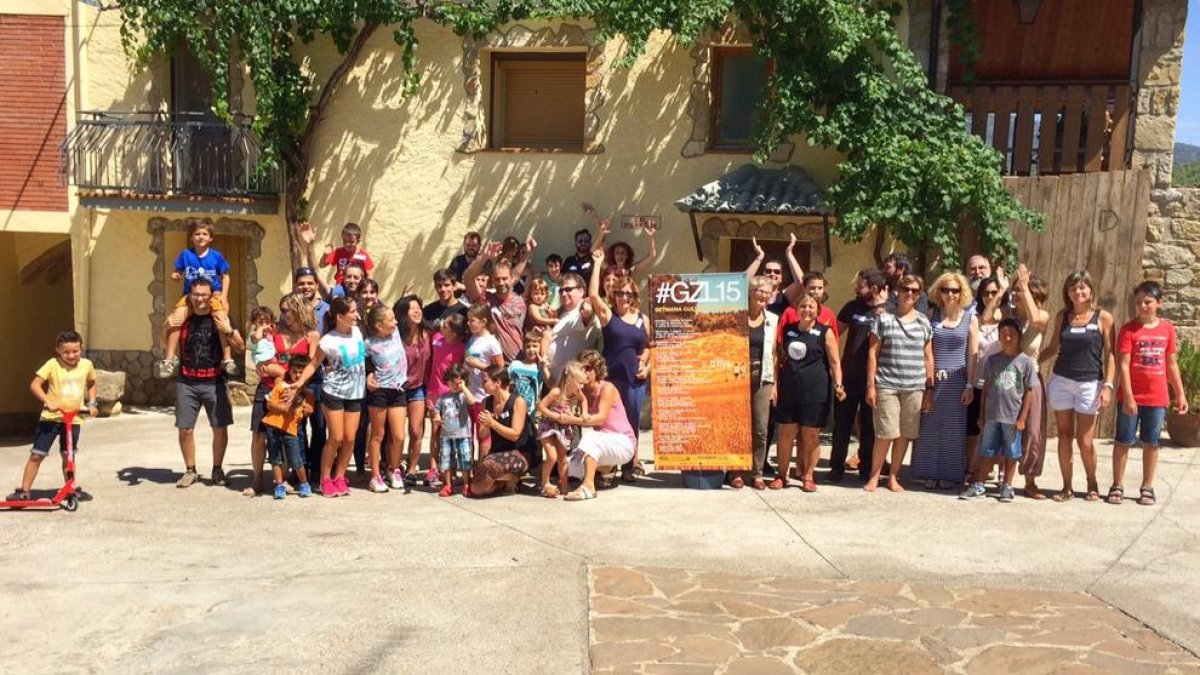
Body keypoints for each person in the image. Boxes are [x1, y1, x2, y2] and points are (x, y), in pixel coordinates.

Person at [1039, 270, 1116, 502]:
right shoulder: (1063, 316)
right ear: (1067, 292)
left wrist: (1108, 386)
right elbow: (1053, 348)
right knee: (1064, 435)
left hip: (1089, 383)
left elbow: (1111, 354)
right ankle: (1067, 487)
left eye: (1082, 287)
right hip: (1062, 381)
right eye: (1073, 288)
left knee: (1084, 441)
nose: (1078, 292)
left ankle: (1092, 482)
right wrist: (1030, 362)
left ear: (1091, 290)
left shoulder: (1104, 318)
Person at [1111, 281, 1189, 507]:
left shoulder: (1168, 329)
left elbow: (1171, 364)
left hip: (1157, 397)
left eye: (1148, 302)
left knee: (1151, 442)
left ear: (1158, 303)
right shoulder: (1128, 330)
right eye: (1138, 303)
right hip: (1131, 397)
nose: (1143, 306)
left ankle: (1147, 486)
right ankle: (1117, 484)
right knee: (1123, 440)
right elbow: (1124, 365)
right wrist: (1128, 396)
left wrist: (1180, 394)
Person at [8, 331, 97, 502]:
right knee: (37, 454)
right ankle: (24, 491)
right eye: (66, 352)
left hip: (73, 418)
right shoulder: (52, 364)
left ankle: (70, 488)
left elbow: (91, 383)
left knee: (68, 455)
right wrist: (47, 400)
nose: (71, 355)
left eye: (75, 351)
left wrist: (92, 404)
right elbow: (35, 385)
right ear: (58, 350)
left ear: (82, 348)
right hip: (51, 419)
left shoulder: (86, 365)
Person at [865, 274, 934, 493]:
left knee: (904, 434)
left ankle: (893, 476)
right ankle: (874, 476)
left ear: (919, 294)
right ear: (898, 291)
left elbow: (928, 356)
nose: (910, 294)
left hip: (914, 386)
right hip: (887, 384)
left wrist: (930, 389)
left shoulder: (924, 321)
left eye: (914, 290)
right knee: (885, 433)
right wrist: (870, 385)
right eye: (906, 289)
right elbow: (872, 352)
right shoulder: (883, 319)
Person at [171, 278, 241, 488]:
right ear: (189, 297)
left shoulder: (220, 317)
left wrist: (229, 330)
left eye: (204, 295)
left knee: (219, 428)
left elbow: (240, 347)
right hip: (187, 381)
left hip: (215, 381)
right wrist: (166, 324)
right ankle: (190, 470)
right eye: (196, 295)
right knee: (185, 429)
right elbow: (165, 343)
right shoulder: (183, 318)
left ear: (212, 297)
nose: (200, 299)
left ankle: (217, 469)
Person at [911, 272, 978, 490]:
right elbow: (924, 350)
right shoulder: (931, 315)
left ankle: (949, 474)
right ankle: (928, 472)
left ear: (962, 293)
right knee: (928, 426)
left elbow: (972, 354)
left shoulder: (970, 318)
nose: (950, 294)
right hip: (933, 380)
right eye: (945, 289)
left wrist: (970, 384)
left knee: (953, 429)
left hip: (957, 382)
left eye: (955, 290)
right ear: (938, 292)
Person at [588, 248, 651, 482]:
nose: (625, 298)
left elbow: (649, 347)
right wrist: (597, 264)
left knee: (632, 422)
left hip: (634, 380)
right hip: (610, 380)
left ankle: (630, 464)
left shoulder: (642, 320)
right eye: (621, 293)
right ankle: (605, 466)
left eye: (630, 294)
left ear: (635, 297)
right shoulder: (608, 316)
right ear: (614, 295)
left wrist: (645, 364)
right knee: (606, 422)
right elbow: (593, 295)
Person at [773, 294, 845, 491]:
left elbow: (835, 362)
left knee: (810, 435)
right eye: (803, 306)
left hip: (816, 391)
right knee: (786, 433)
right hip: (789, 390)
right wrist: (774, 385)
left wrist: (839, 385)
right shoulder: (787, 330)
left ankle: (808, 476)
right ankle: (782, 475)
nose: (807, 309)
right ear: (796, 309)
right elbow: (778, 357)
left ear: (818, 310)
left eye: (811, 306)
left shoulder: (825, 332)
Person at [296, 296, 366, 498]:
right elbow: (313, 364)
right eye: (352, 312)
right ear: (340, 316)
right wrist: (300, 383)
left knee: (349, 438)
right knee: (335, 437)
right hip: (334, 392)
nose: (356, 315)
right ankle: (325, 478)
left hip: (355, 393)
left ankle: (340, 476)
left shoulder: (358, 333)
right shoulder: (328, 340)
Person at [251, 292, 321, 496]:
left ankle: (284, 478)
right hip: (267, 386)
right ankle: (257, 480)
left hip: (294, 389)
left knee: (288, 434)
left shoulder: (312, 335)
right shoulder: (274, 329)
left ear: (298, 309)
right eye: (281, 310)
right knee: (259, 434)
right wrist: (260, 365)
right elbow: (259, 349)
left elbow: (311, 365)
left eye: (286, 310)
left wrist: (293, 385)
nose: (282, 315)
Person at [960, 319, 1036, 503]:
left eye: (1012, 335)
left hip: (1012, 418)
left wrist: (1022, 418)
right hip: (992, 416)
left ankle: (1007, 486)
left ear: (1019, 337)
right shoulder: (993, 360)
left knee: (1011, 452)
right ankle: (979, 483)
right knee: (987, 450)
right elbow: (986, 389)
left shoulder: (1025, 362)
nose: (1008, 338)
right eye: (1004, 335)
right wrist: (981, 415)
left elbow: (1029, 392)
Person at [157, 217, 234, 379]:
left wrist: (224, 297)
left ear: (210, 238)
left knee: (221, 320)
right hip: (190, 296)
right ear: (191, 237)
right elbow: (178, 270)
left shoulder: (216, 256)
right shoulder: (186, 255)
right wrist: (176, 275)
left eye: (205, 234)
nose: (201, 237)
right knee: (176, 319)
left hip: (213, 295)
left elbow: (225, 277)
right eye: (197, 234)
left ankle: (227, 359)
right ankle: (170, 359)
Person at [832, 268, 888, 481]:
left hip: (874, 380)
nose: (856, 288)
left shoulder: (889, 310)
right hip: (848, 377)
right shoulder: (851, 307)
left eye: (861, 285)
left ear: (874, 288)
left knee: (869, 427)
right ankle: (836, 467)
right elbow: (834, 334)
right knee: (841, 425)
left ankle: (866, 468)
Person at [562, 350, 637, 501]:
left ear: (597, 370)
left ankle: (589, 486)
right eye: (581, 368)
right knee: (570, 467)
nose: (585, 372)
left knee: (591, 438)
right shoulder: (580, 392)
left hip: (623, 442)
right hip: (603, 442)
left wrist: (572, 419)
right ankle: (606, 469)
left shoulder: (607, 388)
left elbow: (600, 419)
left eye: (589, 368)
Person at [1009, 264, 1051, 498]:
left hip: (1031, 379)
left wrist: (1024, 285)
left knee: (1033, 430)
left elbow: (1035, 318)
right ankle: (1002, 477)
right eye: (1014, 291)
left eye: (1021, 291)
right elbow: (986, 319)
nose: (1016, 294)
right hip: (1008, 377)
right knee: (1005, 426)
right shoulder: (1009, 316)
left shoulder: (1041, 316)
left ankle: (1030, 480)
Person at [965, 271, 1008, 483]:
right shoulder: (976, 319)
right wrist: (970, 384)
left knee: (997, 426)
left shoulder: (1007, 316)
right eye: (986, 293)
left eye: (994, 292)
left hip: (1000, 382)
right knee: (974, 428)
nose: (990, 297)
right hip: (979, 379)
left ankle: (995, 470)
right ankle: (970, 468)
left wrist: (1002, 292)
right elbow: (974, 353)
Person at [737, 275, 778, 490]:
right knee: (739, 426)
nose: (763, 295)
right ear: (751, 293)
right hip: (738, 378)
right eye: (760, 291)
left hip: (763, 378)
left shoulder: (773, 319)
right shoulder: (737, 316)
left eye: (767, 292)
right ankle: (737, 471)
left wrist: (775, 385)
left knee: (761, 428)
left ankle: (757, 472)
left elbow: (774, 353)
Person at [469, 366, 535, 497]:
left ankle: (511, 479)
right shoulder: (486, 402)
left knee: (488, 466)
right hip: (496, 454)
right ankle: (503, 483)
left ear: (497, 382)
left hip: (519, 453)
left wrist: (493, 423)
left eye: (485, 381)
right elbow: (482, 436)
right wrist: (486, 425)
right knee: (476, 488)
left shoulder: (517, 402)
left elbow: (515, 435)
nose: (482, 384)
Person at [364, 305, 408, 493]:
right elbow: (363, 362)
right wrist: (368, 374)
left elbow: (400, 307)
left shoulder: (396, 332)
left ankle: (394, 469)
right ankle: (375, 475)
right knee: (378, 435)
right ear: (378, 326)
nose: (395, 322)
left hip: (398, 390)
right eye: (390, 320)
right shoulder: (369, 343)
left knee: (398, 435)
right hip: (380, 391)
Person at [262, 356, 316, 499]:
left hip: (291, 430)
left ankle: (304, 484)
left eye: (301, 372)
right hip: (273, 427)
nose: (297, 375)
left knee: (296, 459)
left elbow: (309, 411)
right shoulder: (281, 386)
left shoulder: (308, 393)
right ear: (289, 372)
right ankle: (279, 486)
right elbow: (269, 404)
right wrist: (284, 408)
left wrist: (304, 407)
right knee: (275, 459)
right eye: (294, 372)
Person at [464, 242, 527, 361]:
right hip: (492, 367)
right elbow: (467, 279)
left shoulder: (521, 302)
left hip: (518, 363)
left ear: (512, 279)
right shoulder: (485, 300)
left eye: (504, 278)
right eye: (497, 279)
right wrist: (483, 258)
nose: (501, 283)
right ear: (492, 281)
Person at [393, 294, 432, 484]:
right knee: (397, 433)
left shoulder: (428, 334)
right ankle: (393, 466)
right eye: (411, 308)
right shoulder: (396, 336)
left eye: (419, 307)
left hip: (418, 388)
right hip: (398, 388)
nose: (417, 311)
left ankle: (412, 469)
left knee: (416, 431)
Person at [426, 314, 468, 486]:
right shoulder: (435, 339)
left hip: (453, 397)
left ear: (454, 332)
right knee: (435, 431)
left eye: (447, 324)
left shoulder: (461, 348)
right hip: (434, 393)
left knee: (451, 433)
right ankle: (433, 468)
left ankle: (451, 469)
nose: (442, 324)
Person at [537, 362, 587, 498]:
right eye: (580, 383)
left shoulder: (577, 394)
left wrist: (584, 414)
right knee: (552, 457)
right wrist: (554, 416)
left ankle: (563, 483)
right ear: (570, 380)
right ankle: (545, 483)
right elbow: (541, 406)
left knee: (563, 459)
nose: (582, 387)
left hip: (564, 429)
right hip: (549, 427)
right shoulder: (556, 391)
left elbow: (584, 400)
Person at [465, 303, 506, 455]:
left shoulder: (491, 342)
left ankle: (483, 470)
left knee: (483, 435)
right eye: (468, 320)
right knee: (467, 436)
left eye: (472, 320)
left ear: (484, 321)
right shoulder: (473, 338)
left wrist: (480, 366)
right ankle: (470, 471)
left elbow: (500, 369)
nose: (469, 323)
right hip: (469, 393)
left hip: (483, 395)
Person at [542, 272, 599, 381]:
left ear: (581, 291)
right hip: (554, 381)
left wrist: (588, 306)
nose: (563, 294)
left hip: (571, 384)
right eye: (561, 290)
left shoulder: (581, 310)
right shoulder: (566, 312)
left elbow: (587, 313)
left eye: (568, 289)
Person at [431, 364, 476, 497]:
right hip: (446, 435)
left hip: (463, 434)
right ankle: (448, 485)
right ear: (448, 381)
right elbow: (436, 410)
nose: (456, 385)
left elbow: (472, 401)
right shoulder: (443, 397)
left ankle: (467, 484)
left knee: (465, 460)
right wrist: (437, 417)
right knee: (446, 461)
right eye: (453, 382)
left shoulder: (463, 396)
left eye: (459, 382)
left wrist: (464, 388)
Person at [744, 235, 804, 316]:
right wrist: (760, 257)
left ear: (781, 277)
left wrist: (789, 253)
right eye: (768, 271)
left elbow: (801, 281)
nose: (772, 274)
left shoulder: (785, 295)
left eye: (777, 272)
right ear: (763, 274)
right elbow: (742, 282)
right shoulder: (754, 292)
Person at [510, 331, 549, 417]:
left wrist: (544, 367)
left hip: (531, 411)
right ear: (524, 348)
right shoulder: (515, 364)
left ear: (540, 348)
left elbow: (551, 384)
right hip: (514, 408)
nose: (531, 349)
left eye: (535, 346)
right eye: (528, 347)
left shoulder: (540, 367)